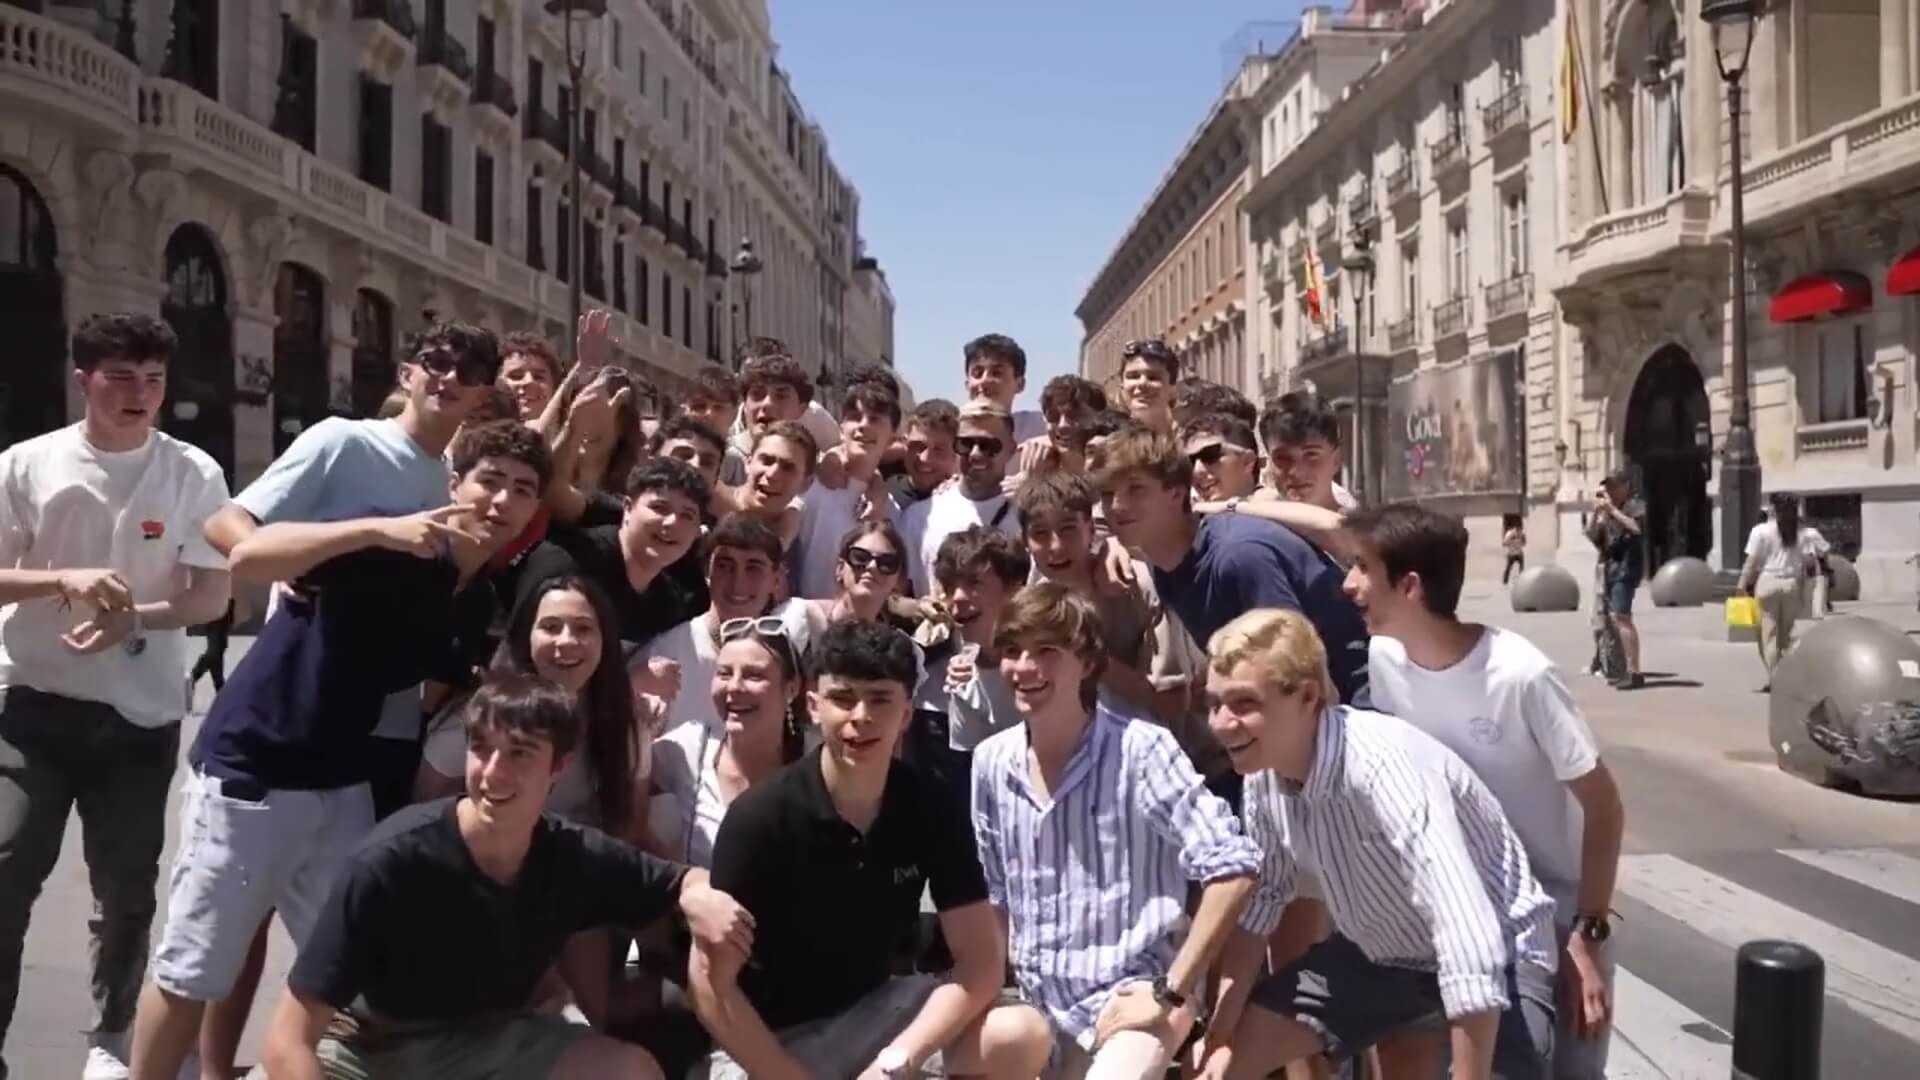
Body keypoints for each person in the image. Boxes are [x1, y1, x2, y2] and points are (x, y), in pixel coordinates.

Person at [127, 421, 549, 1080]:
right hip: (255, 771)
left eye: (522, 490)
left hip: (344, 784)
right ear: (454, 484)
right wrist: (373, 532)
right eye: (489, 480)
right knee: (194, 969)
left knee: (369, 974)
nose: (502, 500)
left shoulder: (481, 601)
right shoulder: (388, 539)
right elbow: (245, 557)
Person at [191, 320, 504, 1078]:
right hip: (290, 709)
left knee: (349, 940)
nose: (448, 377)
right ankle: (212, 1067)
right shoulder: (345, 440)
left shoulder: (455, 480)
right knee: (238, 927)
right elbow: (229, 527)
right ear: (411, 367)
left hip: (381, 733)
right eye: (437, 361)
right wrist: (317, 547)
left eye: (467, 370)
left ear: (484, 394)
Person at [258, 674, 752, 1080]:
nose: (493, 773)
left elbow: (680, 882)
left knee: (629, 1072)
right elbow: (288, 1042)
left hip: (486, 1041)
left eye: (519, 753)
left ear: (557, 767)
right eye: (482, 749)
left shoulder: (571, 855)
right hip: (364, 1049)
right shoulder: (391, 863)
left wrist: (706, 897)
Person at [0, 314, 233, 1080]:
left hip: (141, 715)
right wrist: (58, 580)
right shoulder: (27, 465)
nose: (140, 394)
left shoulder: (193, 471)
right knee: (5, 874)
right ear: (84, 380)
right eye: (122, 377)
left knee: (127, 891)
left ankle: (111, 1033)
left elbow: (207, 597)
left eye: (154, 380)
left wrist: (135, 615)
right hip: (29, 702)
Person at [1197, 609, 1557, 1080]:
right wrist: (1217, 1039)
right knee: (1220, 1065)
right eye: (1213, 703)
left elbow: (1467, 930)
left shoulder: (1383, 768)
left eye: (1244, 703)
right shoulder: (1262, 773)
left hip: (1498, 955)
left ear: (1307, 697)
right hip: (1379, 954)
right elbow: (1264, 900)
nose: (1221, 724)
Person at [1343, 504, 1626, 1080]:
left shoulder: (1520, 675)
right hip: (1459, 906)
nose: (1347, 584)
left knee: (1568, 1069)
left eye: (1361, 568)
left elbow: (1604, 806)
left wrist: (1586, 934)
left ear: (1411, 587)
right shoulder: (1386, 657)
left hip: (1557, 906)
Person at [690, 621, 1044, 1079]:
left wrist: (896, 1063)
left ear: (908, 714)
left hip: (877, 1014)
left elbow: (981, 964)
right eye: (843, 698)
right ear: (813, 706)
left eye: (880, 699)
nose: (861, 717)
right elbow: (708, 985)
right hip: (768, 1040)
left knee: (1018, 1034)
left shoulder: (928, 804)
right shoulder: (760, 818)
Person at [969, 584, 1261, 1076]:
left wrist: (1173, 988)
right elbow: (996, 895)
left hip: (1131, 998)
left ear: (1085, 663)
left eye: (1046, 652)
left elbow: (1233, 867)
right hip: (1037, 1006)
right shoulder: (991, 763)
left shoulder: (1141, 750)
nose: (1023, 667)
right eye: (1014, 651)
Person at [1091, 426, 1370, 707]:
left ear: (1176, 493)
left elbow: (1304, 674)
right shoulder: (1163, 563)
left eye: (1135, 489)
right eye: (1106, 493)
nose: (1117, 505)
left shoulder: (1238, 555)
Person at [1014, 472, 1216, 775]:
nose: (1055, 546)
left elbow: (1172, 701)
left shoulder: (1138, 585)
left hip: (1172, 763)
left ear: (1091, 529)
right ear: (1025, 541)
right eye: (1040, 534)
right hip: (1081, 768)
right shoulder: (1034, 601)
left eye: (1068, 530)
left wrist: (1087, 655)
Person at [650, 619, 806, 866]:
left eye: (754, 675)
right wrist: (639, 728)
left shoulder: (818, 765)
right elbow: (618, 781)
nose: (734, 686)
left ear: (791, 688)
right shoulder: (688, 748)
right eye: (724, 673)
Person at [512, 457, 710, 645]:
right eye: (659, 507)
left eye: (687, 515)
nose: (672, 523)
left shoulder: (666, 602)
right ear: (627, 508)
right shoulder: (568, 562)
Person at [634, 514, 799, 737]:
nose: (738, 582)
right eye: (725, 566)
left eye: (753, 568)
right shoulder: (664, 654)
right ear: (706, 572)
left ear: (776, 579)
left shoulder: (789, 655)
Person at [789, 383, 901, 599]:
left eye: (875, 419)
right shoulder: (810, 483)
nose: (864, 425)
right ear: (841, 428)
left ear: (892, 438)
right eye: (855, 416)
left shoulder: (889, 509)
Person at [901, 401, 1021, 596]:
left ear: (1011, 449)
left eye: (988, 445)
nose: (975, 454)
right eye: (965, 443)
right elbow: (896, 592)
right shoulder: (918, 517)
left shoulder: (1029, 518)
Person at [1738, 491, 1825, 681]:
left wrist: (1742, 585)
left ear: (1772, 509)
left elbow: (1751, 562)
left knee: (1768, 637)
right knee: (1785, 636)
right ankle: (1790, 673)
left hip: (1767, 584)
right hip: (1792, 585)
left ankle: (1776, 678)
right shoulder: (1803, 533)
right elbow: (1810, 562)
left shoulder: (1760, 531)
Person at [1585, 471, 1645, 690]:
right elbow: (1593, 537)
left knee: (1623, 618)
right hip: (1611, 570)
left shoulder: (1634, 505)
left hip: (1626, 569)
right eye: (1606, 489)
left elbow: (1637, 527)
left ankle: (1635, 671)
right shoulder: (1608, 512)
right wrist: (1596, 514)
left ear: (1625, 486)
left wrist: (1611, 510)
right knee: (1613, 620)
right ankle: (1621, 667)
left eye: (1613, 487)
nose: (1609, 492)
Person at [1256, 390, 1357, 511]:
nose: (1297, 472)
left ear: (1336, 460)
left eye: (1311, 455)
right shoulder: (1253, 523)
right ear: (1270, 463)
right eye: (1282, 458)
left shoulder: (1362, 528)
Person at [1015, 374, 1106, 476]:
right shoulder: (1029, 467)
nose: (1062, 425)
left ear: (1099, 418)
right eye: (1053, 416)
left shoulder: (1113, 474)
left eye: (1074, 415)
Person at [963, 333, 1047, 443]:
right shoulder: (950, 432)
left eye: (997, 373)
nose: (985, 380)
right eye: (977, 373)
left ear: (1020, 384)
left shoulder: (1038, 428)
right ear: (967, 384)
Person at [887, 399, 961, 510]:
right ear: (905, 443)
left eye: (938, 449)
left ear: (955, 454)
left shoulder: (962, 504)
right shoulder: (883, 495)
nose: (924, 458)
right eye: (917, 445)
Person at [1181, 413, 1263, 504]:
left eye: (1209, 455)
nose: (1197, 471)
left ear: (1247, 461)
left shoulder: (1276, 510)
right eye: (1189, 462)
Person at [1117, 339, 1178, 434]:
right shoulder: (1107, 447)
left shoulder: (1195, 444)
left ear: (1173, 389)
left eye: (1153, 377)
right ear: (1122, 386)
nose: (1142, 383)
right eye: (1133, 376)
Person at [1502, 520, 1526, 585]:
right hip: (1511, 553)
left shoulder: (1522, 533)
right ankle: (1505, 581)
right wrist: (1512, 542)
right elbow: (1504, 543)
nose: (1519, 529)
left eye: (1520, 528)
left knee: (1522, 567)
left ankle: (1522, 580)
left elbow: (1524, 543)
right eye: (1518, 527)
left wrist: (1521, 542)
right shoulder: (1510, 533)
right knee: (1508, 567)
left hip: (1519, 553)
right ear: (1515, 527)